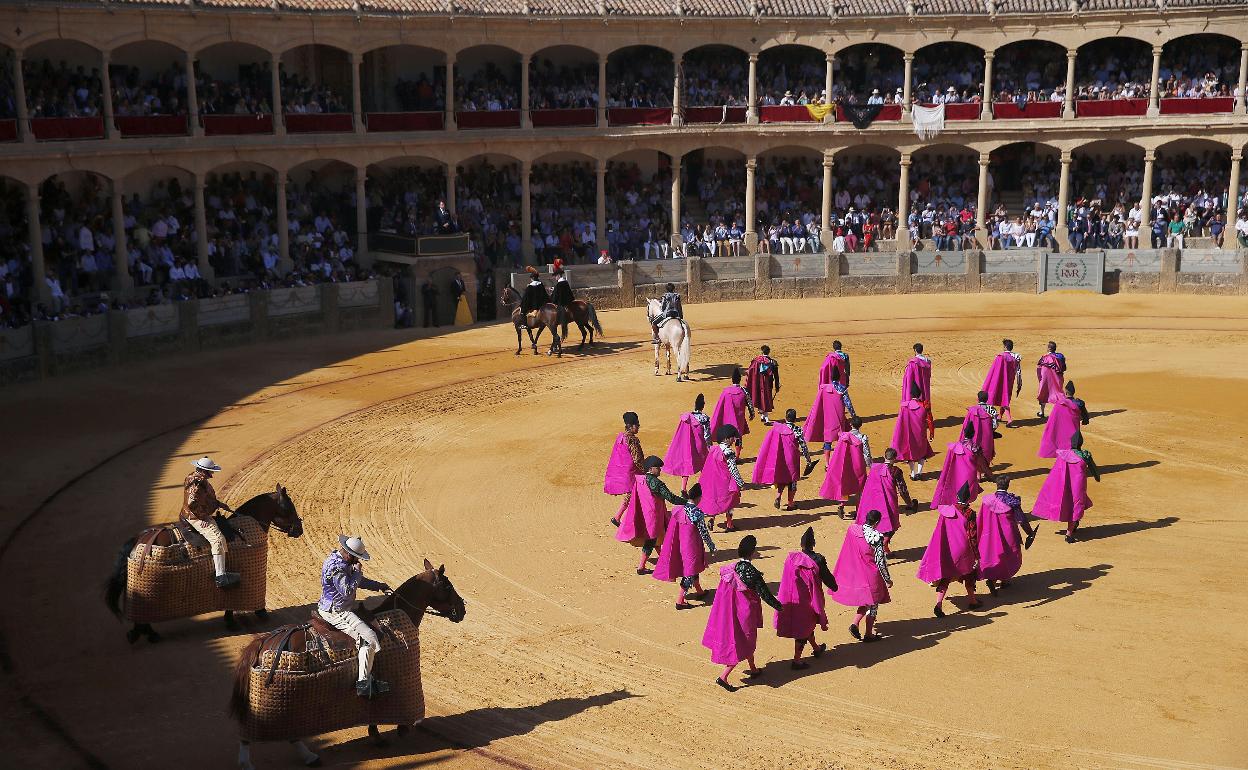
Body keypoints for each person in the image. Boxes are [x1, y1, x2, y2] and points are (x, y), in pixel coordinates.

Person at [702, 535, 783, 692]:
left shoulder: (730, 568)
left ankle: (753, 669)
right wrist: (780, 607)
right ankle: (723, 677)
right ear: (752, 552)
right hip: (745, 612)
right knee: (743, 642)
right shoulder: (752, 573)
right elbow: (765, 595)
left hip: (731, 610)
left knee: (746, 641)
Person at [318, 535, 393, 698]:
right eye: (357, 558)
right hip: (337, 611)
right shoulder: (337, 567)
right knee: (369, 638)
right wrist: (358, 573)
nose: (358, 561)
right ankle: (364, 684)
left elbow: (356, 581)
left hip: (339, 607)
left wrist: (378, 586)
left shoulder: (340, 560)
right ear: (349, 554)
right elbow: (347, 590)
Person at [774, 527, 838, 669]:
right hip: (809, 599)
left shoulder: (791, 558)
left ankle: (816, 648)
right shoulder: (818, 559)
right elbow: (827, 577)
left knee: (807, 625)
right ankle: (797, 661)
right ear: (813, 544)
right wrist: (834, 587)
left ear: (801, 545)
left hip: (793, 598)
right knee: (804, 628)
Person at [917, 483, 981, 618]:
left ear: (957, 497)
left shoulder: (946, 511)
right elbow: (972, 536)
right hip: (964, 549)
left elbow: (940, 532)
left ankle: (938, 604)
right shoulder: (969, 513)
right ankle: (973, 601)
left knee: (946, 575)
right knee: (969, 574)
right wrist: (976, 556)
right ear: (968, 499)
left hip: (949, 548)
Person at [831, 509, 893, 642]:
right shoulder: (876, 537)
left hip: (858, 572)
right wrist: (887, 579)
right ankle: (869, 634)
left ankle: (855, 624)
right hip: (872, 575)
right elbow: (880, 561)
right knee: (873, 604)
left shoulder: (853, 530)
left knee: (867, 600)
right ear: (876, 522)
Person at [617, 456, 685, 574]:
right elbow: (671, 498)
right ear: (651, 469)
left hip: (644, 514)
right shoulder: (656, 483)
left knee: (656, 539)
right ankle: (641, 567)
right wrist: (687, 502)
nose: (660, 470)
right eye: (658, 468)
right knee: (652, 540)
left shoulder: (639, 479)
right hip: (654, 516)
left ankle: (665, 561)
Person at [180, 457, 240, 589]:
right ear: (203, 471)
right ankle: (220, 576)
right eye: (209, 471)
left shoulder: (196, 478)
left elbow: (205, 499)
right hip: (195, 517)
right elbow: (192, 504)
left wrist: (218, 504)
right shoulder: (197, 483)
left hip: (199, 514)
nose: (211, 474)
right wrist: (201, 518)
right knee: (217, 539)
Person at [653, 483, 716, 609]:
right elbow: (704, 532)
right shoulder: (697, 513)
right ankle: (680, 601)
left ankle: (699, 591)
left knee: (693, 568)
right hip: (692, 545)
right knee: (690, 570)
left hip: (679, 542)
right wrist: (711, 546)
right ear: (699, 498)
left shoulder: (678, 508)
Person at [1033, 432, 1099, 543]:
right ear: (1081, 443)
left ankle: (1073, 526)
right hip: (1078, 485)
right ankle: (1069, 533)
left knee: (1068, 504)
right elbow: (1094, 470)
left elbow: (1056, 473)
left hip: (1065, 485)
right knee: (1077, 505)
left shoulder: (1063, 454)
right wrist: (1097, 477)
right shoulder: (1085, 455)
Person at [977, 477, 1037, 595]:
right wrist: (1029, 532)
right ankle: (1003, 580)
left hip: (991, 534)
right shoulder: (1012, 501)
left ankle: (994, 580)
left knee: (995, 555)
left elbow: (982, 518)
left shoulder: (987, 500)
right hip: (1009, 534)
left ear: (997, 485)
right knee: (1010, 555)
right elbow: (1021, 520)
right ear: (1007, 485)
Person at [752, 408, 816, 511]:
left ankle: (778, 496)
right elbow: (803, 446)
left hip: (781, 457)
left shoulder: (778, 429)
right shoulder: (797, 429)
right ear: (795, 419)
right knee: (792, 480)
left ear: (786, 418)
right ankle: (790, 504)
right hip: (792, 458)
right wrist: (808, 460)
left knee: (782, 477)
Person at [856, 447, 915, 552]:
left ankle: (878, 547)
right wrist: (909, 503)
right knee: (892, 525)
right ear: (895, 458)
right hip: (888, 500)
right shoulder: (896, 471)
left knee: (871, 523)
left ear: (885, 457)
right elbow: (902, 490)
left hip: (872, 500)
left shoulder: (874, 467)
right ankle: (884, 545)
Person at [819, 416, 870, 519]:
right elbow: (867, 454)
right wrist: (870, 465)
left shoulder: (844, 436)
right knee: (859, 488)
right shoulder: (863, 437)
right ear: (860, 426)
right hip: (858, 465)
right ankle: (857, 510)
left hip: (846, 465)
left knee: (844, 485)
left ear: (851, 425)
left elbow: (839, 452)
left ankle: (842, 505)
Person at [930, 423, 990, 509]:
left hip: (957, 473)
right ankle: (963, 509)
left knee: (956, 489)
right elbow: (982, 464)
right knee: (967, 494)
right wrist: (990, 475)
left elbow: (949, 462)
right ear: (973, 434)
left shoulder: (956, 446)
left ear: (964, 433)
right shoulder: (975, 447)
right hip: (970, 474)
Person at [700, 424, 747, 532]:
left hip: (715, 480)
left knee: (715, 500)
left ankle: (712, 518)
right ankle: (729, 524)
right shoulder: (728, 452)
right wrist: (740, 483)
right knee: (730, 502)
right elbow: (733, 469)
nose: (734, 439)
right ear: (726, 438)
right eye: (732, 437)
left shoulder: (714, 449)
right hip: (726, 482)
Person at [662, 394, 712, 493]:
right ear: (703, 405)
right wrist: (710, 447)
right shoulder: (704, 418)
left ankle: (683, 488)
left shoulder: (687, 417)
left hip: (689, 446)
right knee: (705, 466)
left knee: (686, 465)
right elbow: (707, 435)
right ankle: (703, 488)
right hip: (700, 446)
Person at [605, 412, 645, 526]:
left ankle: (618, 517)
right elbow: (637, 459)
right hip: (633, 473)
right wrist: (645, 470)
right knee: (636, 495)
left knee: (632, 496)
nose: (638, 427)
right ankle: (624, 519)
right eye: (637, 425)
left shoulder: (621, 437)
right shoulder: (632, 440)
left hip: (625, 472)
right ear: (631, 426)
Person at [891, 383, 935, 480]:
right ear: (919, 395)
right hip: (920, 434)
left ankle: (913, 473)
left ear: (911, 395)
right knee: (922, 453)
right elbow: (930, 420)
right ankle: (919, 472)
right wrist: (931, 433)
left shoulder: (904, 406)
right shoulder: (924, 405)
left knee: (910, 454)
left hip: (908, 434)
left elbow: (900, 422)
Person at [806, 370, 850, 461]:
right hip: (839, 417)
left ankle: (827, 463)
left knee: (828, 441)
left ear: (831, 377)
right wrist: (854, 416)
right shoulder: (842, 388)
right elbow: (848, 404)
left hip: (827, 418)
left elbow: (818, 403)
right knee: (841, 440)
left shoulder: (823, 388)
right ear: (839, 378)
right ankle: (838, 462)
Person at [1038, 381, 1088, 459]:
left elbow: (1053, 420)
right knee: (1076, 449)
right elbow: (1085, 417)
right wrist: (1085, 420)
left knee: (1064, 451)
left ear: (1066, 392)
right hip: (1075, 433)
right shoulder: (1079, 403)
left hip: (1063, 433)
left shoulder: (1060, 404)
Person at [709, 367, 755, 448]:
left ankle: (726, 453)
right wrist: (752, 414)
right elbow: (750, 403)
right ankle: (737, 456)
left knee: (726, 437)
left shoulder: (726, 391)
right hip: (739, 419)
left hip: (727, 419)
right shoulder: (744, 391)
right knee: (738, 437)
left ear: (732, 380)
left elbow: (720, 406)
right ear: (740, 379)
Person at [981, 338, 1023, 427]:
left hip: (999, 381)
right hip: (1009, 381)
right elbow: (1018, 371)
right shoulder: (1016, 357)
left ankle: (1009, 419)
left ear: (1004, 347)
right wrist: (1019, 384)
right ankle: (1000, 416)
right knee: (1005, 398)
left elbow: (993, 371)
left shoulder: (1000, 356)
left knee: (1002, 399)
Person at [963, 390, 1000, 466]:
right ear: (987, 399)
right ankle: (985, 469)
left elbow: (968, 425)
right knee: (987, 451)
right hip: (988, 435)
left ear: (978, 399)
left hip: (975, 435)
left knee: (975, 451)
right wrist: (990, 431)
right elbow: (995, 425)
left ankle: (978, 474)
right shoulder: (992, 410)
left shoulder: (973, 409)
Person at [746, 345, 781, 424]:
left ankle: (762, 415)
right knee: (766, 399)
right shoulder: (772, 362)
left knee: (760, 398)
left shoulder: (756, 361)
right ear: (769, 352)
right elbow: (776, 375)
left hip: (758, 384)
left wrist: (753, 383)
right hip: (768, 384)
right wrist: (777, 386)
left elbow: (750, 372)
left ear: (762, 352)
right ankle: (767, 419)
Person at [901, 342, 933, 415]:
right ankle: (925, 419)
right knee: (925, 401)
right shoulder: (928, 361)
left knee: (915, 402)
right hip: (925, 385)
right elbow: (929, 375)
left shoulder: (913, 362)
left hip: (915, 386)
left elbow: (908, 377)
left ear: (915, 350)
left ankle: (916, 420)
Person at [1035, 341, 1066, 417]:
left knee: (1043, 394)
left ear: (1049, 348)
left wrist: (1040, 379)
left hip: (1045, 381)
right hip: (1056, 380)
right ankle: (1061, 412)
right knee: (1058, 394)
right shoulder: (1060, 357)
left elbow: (1039, 369)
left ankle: (1042, 412)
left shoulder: (1044, 357)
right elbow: (1064, 368)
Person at [550, 266, 575, 338]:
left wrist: (552, 298)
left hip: (562, 303)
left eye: (555, 276)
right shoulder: (565, 282)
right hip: (568, 301)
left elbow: (556, 296)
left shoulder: (559, 284)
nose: (555, 278)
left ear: (558, 275)